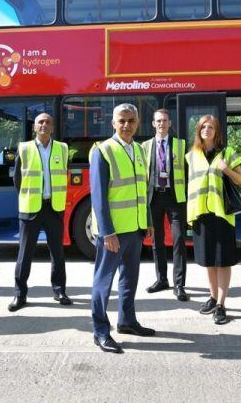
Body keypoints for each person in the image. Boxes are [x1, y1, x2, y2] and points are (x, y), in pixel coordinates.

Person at [90, 103, 155, 353]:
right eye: (122, 121)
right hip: (113, 233)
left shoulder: (139, 150)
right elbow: (98, 197)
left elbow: (143, 189)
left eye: (131, 120)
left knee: (129, 279)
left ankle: (127, 321)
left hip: (135, 229)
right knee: (103, 282)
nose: (126, 125)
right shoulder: (103, 151)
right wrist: (107, 232)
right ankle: (100, 332)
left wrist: (147, 220)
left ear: (137, 123)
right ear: (113, 123)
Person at [8, 113, 72, 312]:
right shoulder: (24, 148)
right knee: (24, 254)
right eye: (40, 122)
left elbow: (64, 172)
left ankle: (59, 290)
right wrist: (27, 197)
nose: (44, 125)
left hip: (54, 208)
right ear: (34, 127)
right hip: (31, 208)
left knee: (57, 253)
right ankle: (20, 294)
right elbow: (17, 178)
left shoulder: (62, 148)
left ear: (52, 127)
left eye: (48, 122)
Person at [186, 115, 241, 325]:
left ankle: (221, 304)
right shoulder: (191, 155)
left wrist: (226, 169)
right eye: (203, 127)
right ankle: (212, 297)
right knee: (208, 260)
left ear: (217, 131)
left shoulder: (228, 153)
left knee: (223, 261)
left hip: (222, 214)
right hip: (201, 214)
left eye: (211, 127)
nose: (207, 130)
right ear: (199, 130)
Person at [141, 109, 189, 301]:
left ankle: (179, 285)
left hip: (175, 197)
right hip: (154, 197)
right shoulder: (144, 146)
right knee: (156, 241)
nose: (161, 124)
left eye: (165, 121)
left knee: (178, 241)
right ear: (153, 124)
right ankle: (161, 279)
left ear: (170, 123)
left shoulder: (181, 144)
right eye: (158, 121)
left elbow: (189, 171)